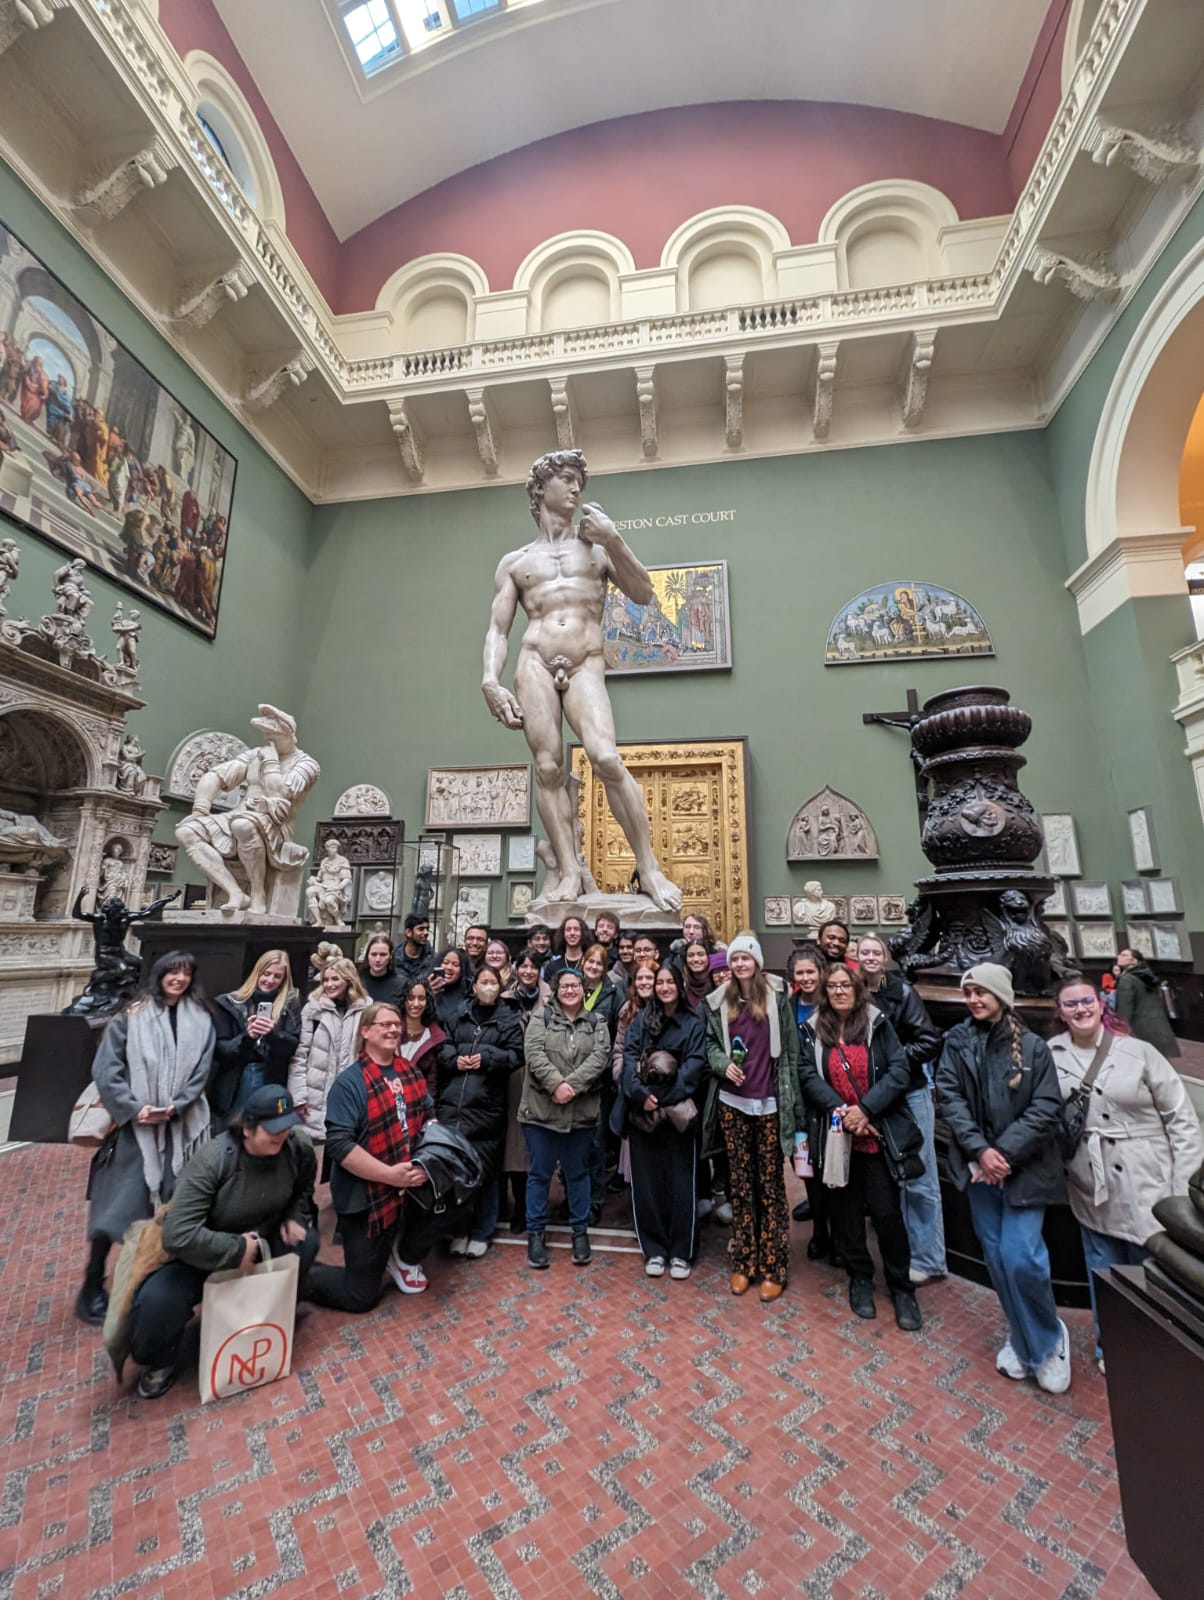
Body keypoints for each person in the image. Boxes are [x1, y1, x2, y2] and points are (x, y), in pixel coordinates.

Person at [481, 449, 681, 911]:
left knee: (605, 756)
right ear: (541, 489)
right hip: (533, 662)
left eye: (578, 482)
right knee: (548, 769)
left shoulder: (597, 547)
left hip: (586, 661)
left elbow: (644, 591)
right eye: (567, 480)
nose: (575, 489)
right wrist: (490, 680)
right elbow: (498, 628)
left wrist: (615, 541)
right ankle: (570, 872)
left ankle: (648, 868)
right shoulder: (516, 561)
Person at [1049, 976, 1202, 1368]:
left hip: (1148, 1184)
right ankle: (1112, 1348)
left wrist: (1179, 1190)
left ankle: (1162, 1352)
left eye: (1087, 1001)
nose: (1081, 1009)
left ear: (1101, 1004)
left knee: (1155, 1271)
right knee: (1104, 1272)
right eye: (1071, 1004)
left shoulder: (1138, 1052)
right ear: (1060, 1012)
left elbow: (1182, 1120)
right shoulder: (1050, 1055)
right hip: (1091, 1184)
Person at [128, 1086, 319, 1399]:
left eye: (286, 1127)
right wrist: (235, 1249)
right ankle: (159, 1360)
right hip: (204, 1251)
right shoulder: (215, 1159)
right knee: (158, 1300)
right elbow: (178, 1233)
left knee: (306, 1245)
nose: (281, 1136)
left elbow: (303, 1188)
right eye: (272, 1131)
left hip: (263, 1238)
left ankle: (274, 1313)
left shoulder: (297, 1147)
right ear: (246, 1128)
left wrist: (295, 1217)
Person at [937, 964, 1070, 1392]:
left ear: (1002, 996)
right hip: (980, 1171)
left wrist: (1004, 1153)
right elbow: (950, 1096)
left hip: (1024, 1170)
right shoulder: (957, 1042)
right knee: (996, 1260)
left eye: (982, 992)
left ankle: (1049, 1340)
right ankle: (1023, 1339)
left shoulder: (1032, 1048)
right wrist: (980, 1151)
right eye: (969, 991)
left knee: (1022, 1257)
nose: (974, 999)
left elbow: (1045, 1107)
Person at [76, 952, 214, 1326]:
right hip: (135, 1131)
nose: (179, 978)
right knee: (117, 1208)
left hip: (182, 1129)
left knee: (170, 1210)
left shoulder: (201, 1020)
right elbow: (107, 1070)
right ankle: (92, 1283)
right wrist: (134, 1108)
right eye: (173, 971)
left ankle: (151, 1281)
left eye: (186, 972)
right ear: (160, 975)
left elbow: (203, 1070)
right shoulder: (130, 1018)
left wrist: (176, 1106)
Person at [798, 963, 922, 1330]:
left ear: (856, 989)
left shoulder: (877, 1022)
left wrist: (865, 1109)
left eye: (844, 985)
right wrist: (843, 1112)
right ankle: (860, 1277)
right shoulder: (812, 1029)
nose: (838, 991)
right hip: (838, 1136)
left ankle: (902, 1287)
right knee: (847, 1214)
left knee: (886, 1214)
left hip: (877, 1132)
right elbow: (806, 1074)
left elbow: (899, 1070)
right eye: (832, 986)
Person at [305, 1004, 434, 1310]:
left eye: (396, 1025)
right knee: (361, 1297)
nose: (394, 1029)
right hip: (366, 1197)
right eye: (384, 1024)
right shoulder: (349, 1083)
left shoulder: (410, 1071)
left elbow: (429, 1115)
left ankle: (400, 1255)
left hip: (408, 1179)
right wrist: (389, 1176)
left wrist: (424, 1165)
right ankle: (303, 1278)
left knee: (451, 1199)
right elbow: (339, 1145)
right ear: (365, 1032)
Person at [702, 933, 802, 1302]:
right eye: (735, 959)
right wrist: (722, 1064)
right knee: (741, 1185)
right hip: (733, 1103)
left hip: (771, 1103)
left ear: (757, 962)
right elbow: (710, 1045)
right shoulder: (718, 1002)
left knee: (771, 1184)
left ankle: (774, 1263)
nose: (740, 964)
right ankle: (745, 1261)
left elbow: (789, 1051)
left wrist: (794, 1105)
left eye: (746, 958)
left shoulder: (777, 997)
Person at [856, 934, 946, 1285]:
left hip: (909, 1093)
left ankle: (929, 1258)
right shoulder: (851, 991)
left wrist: (893, 1063)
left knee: (919, 1177)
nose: (871, 957)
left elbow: (928, 1040)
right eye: (864, 952)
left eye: (876, 951)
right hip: (872, 1097)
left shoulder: (903, 992)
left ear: (885, 956)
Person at [618, 964, 706, 1278]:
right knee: (647, 1183)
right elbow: (628, 1059)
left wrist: (666, 1097)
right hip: (643, 1112)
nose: (665, 987)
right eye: (660, 982)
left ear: (680, 986)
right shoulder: (641, 1021)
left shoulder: (693, 1023)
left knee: (682, 1182)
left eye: (671, 981)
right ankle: (654, 1249)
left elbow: (696, 1064)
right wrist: (641, 1095)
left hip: (679, 1113)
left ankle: (682, 1251)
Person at [519, 967, 610, 1268]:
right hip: (541, 1112)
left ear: (584, 990)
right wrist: (557, 1085)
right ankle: (535, 1234)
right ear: (556, 991)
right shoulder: (540, 1018)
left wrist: (572, 1086)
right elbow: (533, 1054)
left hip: (580, 1113)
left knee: (577, 1173)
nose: (570, 990)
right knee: (540, 1173)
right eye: (564, 986)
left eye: (575, 986)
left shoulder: (597, 1023)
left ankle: (579, 1232)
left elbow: (600, 1057)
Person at [437, 966, 524, 1258]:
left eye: (493, 982)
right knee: (456, 1172)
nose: (488, 987)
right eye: (483, 982)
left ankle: (482, 1232)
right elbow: (443, 1045)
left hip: (487, 1107)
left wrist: (487, 1058)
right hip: (454, 1105)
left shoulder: (508, 1019)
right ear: (473, 987)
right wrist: (454, 1059)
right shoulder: (458, 1015)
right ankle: (458, 1228)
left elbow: (516, 1054)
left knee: (486, 1173)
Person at [209, 949, 302, 1128]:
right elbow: (221, 1050)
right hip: (236, 1080)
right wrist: (248, 1036)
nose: (270, 980)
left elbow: (292, 1047)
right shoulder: (229, 1003)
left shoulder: (290, 1005)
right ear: (257, 972)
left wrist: (273, 1033)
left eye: (277, 976)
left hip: (272, 1079)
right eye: (266, 974)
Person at [287, 958, 369, 1146]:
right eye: (325, 980)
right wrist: (298, 1097)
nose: (329, 984)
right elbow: (299, 1055)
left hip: (349, 1095)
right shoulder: (313, 1009)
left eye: (335, 979)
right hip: (314, 1097)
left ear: (349, 979)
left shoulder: (365, 1009)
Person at [500, 948, 546, 1232]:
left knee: (538, 1149)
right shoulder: (505, 1000)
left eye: (533, 967)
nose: (528, 971)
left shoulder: (552, 998)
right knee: (515, 1150)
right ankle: (519, 1207)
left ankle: (536, 1208)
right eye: (524, 966)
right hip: (513, 1079)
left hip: (542, 1080)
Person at [786, 945, 827, 1241]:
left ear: (820, 972)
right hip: (797, 1100)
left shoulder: (832, 1004)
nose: (806, 977)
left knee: (830, 1165)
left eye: (810, 971)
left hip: (827, 1097)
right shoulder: (788, 1007)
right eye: (800, 972)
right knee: (805, 1165)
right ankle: (820, 1228)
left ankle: (833, 1227)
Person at [580, 942, 623, 1221]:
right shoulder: (571, 985)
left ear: (605, 967)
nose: (593, 967)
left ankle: (594, 1200)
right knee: (572, 1142)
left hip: (598, 1079)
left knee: (595, 1142)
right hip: (569, 1078)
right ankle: (576, 1196)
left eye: (599, 963)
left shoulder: (612, 991)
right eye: (590, 962)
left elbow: (618, 1032)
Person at [1113, 949, 1180, 1059]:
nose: (1119, 956)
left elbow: (1125, 1008)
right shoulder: (1147, 976)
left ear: (1134, 961)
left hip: (1140, 1031)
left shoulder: (1127, 980)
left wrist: (1120, 1030)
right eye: (1119, 954)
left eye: (1124, 955)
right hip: (1158, 1029)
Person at [358, 935, 405, 1008]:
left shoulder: (402, 984)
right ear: (367, 955)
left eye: (383, 955)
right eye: (374, 954)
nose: (377, 959)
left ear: (390, 956)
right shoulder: (357, 982)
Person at [394, 913, 437, 986]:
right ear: (408, 932)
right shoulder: (393, 959)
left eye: (427, 929)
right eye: (421, 929)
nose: (426, 933)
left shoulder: (433, 959)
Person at [544, 916, 588, 984]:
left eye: (576, 929)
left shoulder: (590, 964)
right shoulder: (552, 967)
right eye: (568, 929)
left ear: (583, 933)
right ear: (563, 934)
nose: (572, 933)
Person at [434, 946, 469, 1028]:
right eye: (445, 963)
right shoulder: (426, 988)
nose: (449, 968)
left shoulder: (469, 993)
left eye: (455, 965)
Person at [681, 941, 713, 1012]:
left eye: (701, 954)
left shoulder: (717, 984)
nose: (695, 959)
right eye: (691, 955)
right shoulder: (681, 986)